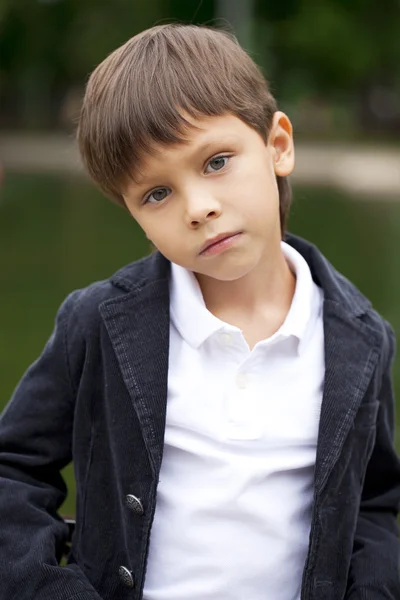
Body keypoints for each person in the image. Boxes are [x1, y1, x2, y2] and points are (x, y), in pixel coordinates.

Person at [0, 23, 399, 600]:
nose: (199, 208)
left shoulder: (361, 339)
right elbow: (12, 472)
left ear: (278, 145)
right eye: (157, 194)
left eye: (216, 162)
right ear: (135, 215)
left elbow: (375, 504)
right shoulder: (96, 321)